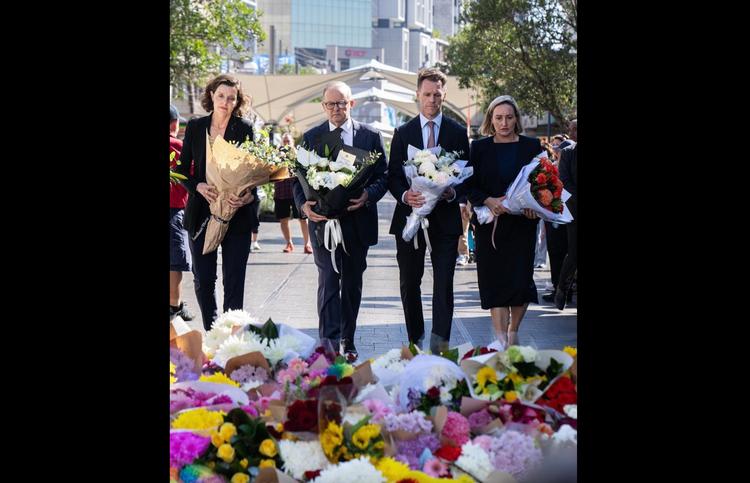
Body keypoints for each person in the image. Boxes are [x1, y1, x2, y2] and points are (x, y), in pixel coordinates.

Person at [292, 81, 388, 360]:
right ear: (323, 106)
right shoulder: (311, 137)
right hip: (323, 223)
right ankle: (329, 343)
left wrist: (367, 196)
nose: (336, 109)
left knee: (352, 283)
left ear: (351, 104)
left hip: (357, 222)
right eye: (331, 104)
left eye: (341, 103)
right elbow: (297, 178)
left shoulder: (370, 136)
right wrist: (304, 206)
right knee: (329, 280)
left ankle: (348, 338)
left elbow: (383, 175)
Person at [387, 67, 471, 354]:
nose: (432, 100)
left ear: (444, 95)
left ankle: (440, 345)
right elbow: (393, 175)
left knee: (444, 283)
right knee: (410, 283)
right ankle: (415, 338)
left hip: (445, 220)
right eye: (427, 94)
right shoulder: (403, 132)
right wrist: (404, 194)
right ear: (417, 95)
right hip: (410, 220)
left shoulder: (459, 134)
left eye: (437, 94)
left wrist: (452, 191)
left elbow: (468, 175)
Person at [176, 74, 259, 331]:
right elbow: (181, 170)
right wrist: (198, 185)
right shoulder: (195, 127)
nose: (225, 102)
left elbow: (252, 170)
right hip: (202, 213)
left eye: (231, 98)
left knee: (234, 279)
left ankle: (231, 333)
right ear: (211, 95)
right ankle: (213, 332)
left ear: (237, 101)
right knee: (203, 279)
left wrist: (247, 195)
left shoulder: (244, 128)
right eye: (221, 96)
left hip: (236, 213)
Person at [465, 95, 542, 348]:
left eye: (509, 117)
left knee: (520, 282)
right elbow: (469, 186)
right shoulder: (479, 148)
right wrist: (487, 200)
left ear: (516, 119)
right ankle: (500, 341)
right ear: (491, 120)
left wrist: (536, 206)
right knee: (495, 282)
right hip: (491, 229)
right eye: (498, 118)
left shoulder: (532, 146)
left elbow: (543, 184)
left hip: (522, 226)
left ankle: (513, 331)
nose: (504, 122)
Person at [169, 105, 195, 321]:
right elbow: (194, 177)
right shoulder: (178, 146)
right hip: (174, 211)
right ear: (175, 124)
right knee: (174, 262)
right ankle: (174, 306)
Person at [275, 133, 312, 253]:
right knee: (283, 218)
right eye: (284, 141)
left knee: (302, 218)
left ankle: (307, 244)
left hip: (296, 191)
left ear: (292, 142)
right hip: (281, 191)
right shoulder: (277, 155)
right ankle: (289, 243)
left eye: (288, 141)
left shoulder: (297, 153)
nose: (286, 143)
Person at [555, 119, 578, 310]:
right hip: (575, 211)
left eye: (573, 130)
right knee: (574, 253)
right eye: (570, 130)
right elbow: (564, 181)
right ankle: (562, 288)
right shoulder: (569, 153)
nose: (570, 134)